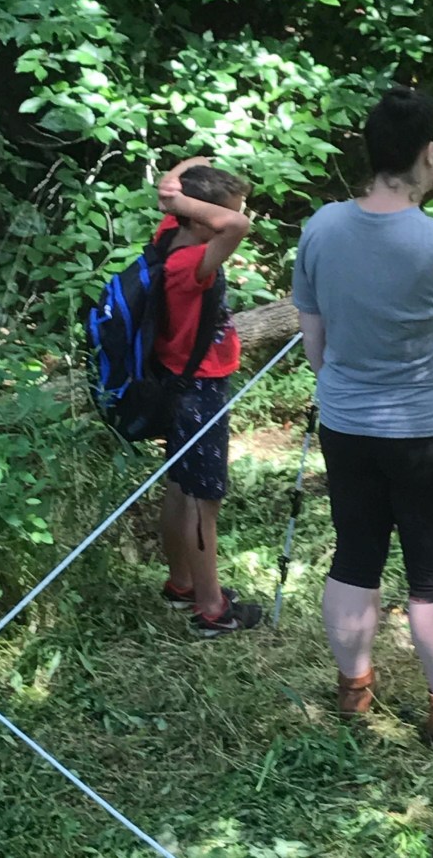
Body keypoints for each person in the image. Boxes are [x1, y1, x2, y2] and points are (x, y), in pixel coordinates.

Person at [292, 86, 433, 747]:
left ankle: (353, 693)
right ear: (430, 152)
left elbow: (315, 347)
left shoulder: (323, 228)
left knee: (354, 554)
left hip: (348, 424)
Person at [153, 158, 262, 636]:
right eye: (223, 214)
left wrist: (177, 190)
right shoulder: (187, 264)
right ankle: (211, 609)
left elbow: (190, 171)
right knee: (203, 499)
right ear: (200, 218)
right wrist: (184, 199)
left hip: (181, 384)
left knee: (181, 485)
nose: (238, 219)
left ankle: (182, 583)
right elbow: (235, 226)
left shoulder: (169, 234)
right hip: (199, 389)